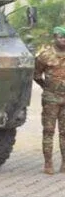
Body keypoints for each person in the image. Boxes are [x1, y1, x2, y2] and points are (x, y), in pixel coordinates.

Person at [33, 26, 65, 174]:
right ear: (55, 37)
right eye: (60, 37)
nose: (63, 40)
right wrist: (47, 88)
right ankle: (48, 163)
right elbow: (37, 74)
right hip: (51, 99)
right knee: (49, 131)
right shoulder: (45, 55)